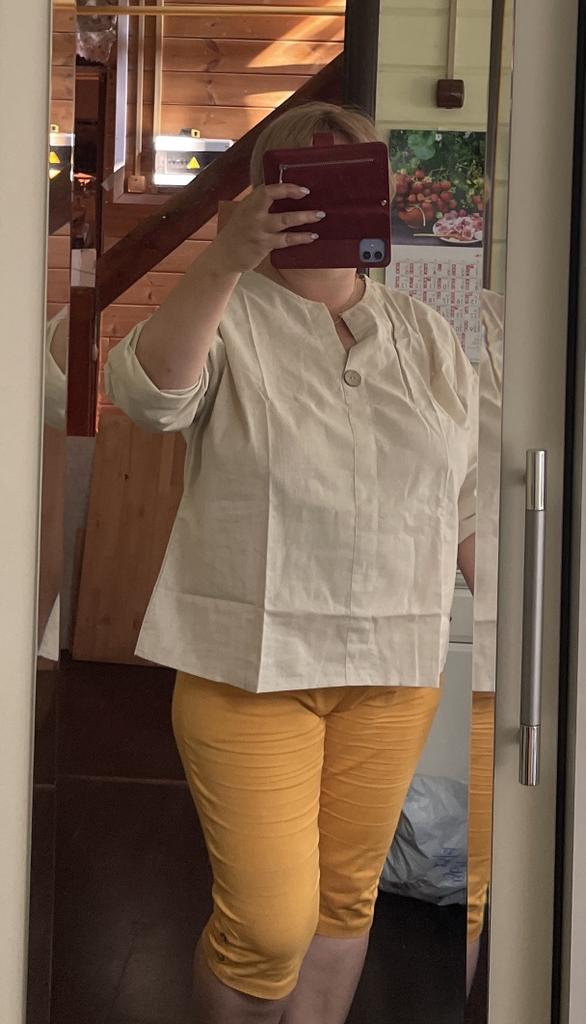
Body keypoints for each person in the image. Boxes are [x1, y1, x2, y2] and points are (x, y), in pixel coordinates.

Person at [105, 102, 478, 1024]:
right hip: (249, 665)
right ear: (264, 188)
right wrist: (220, 260)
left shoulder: (427, 335)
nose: (327, 198)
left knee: (345, 903)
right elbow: (151, 398)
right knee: (269, 927)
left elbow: (461, 495)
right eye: (305, 177)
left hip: (394, 668)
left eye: (353, 176)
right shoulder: (227, 313)